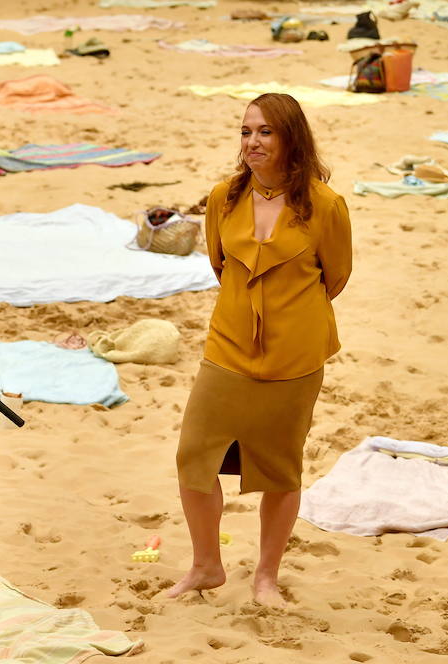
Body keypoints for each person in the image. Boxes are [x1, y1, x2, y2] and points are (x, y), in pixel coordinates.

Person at [164, 93, 352, 605]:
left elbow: (335, 278)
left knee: (280, 468)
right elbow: (221, 265)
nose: (252, 142)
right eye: (246, 131)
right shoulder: (223, 196)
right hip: (228, 346)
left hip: (295, 356)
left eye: (265, 132)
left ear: (292, 138)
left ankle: (266, 576)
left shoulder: (327, 206)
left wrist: (288, 313)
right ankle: (206, 566)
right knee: (194, 458)